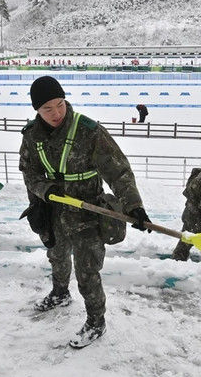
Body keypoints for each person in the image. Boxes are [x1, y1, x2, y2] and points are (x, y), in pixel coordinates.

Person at [19, 75, 152, 349]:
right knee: (56, 257)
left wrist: (134, 205)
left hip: (87, 212)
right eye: (47, 109)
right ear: (36, 110)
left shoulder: (88, 130)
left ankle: (96, 322)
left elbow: (118, 170)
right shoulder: (31, 136)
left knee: (87, 270)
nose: (56, 113)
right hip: (52, 209)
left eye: (60, 104)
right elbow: (29, 172)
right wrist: (44, 191)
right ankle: (59, 293)